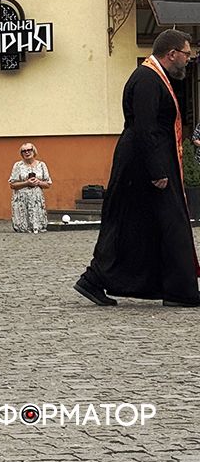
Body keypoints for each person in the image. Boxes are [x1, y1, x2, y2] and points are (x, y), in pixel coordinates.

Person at [76, 29, 200, 307]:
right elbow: (144, 128)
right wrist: (157, 171)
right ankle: (95, 278)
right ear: (171, 54)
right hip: (142, 164)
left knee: (147, 225)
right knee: (146, 223)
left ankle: (177, 290)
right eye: (186, 54)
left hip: (150, 159)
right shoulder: (146, 79)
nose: (188, 60)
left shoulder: (156, 77)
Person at [9, 142, 52, 233]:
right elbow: (12, 185)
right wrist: (26, 183)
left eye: (29, 150)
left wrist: (38, 182)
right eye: (24, 151)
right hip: (21, 200)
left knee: (39, 227)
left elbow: (48, 184)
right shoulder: (18, 166)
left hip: (37, 200)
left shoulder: (41, 165)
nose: (27, 152)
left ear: (34, 151)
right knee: (22, 228)